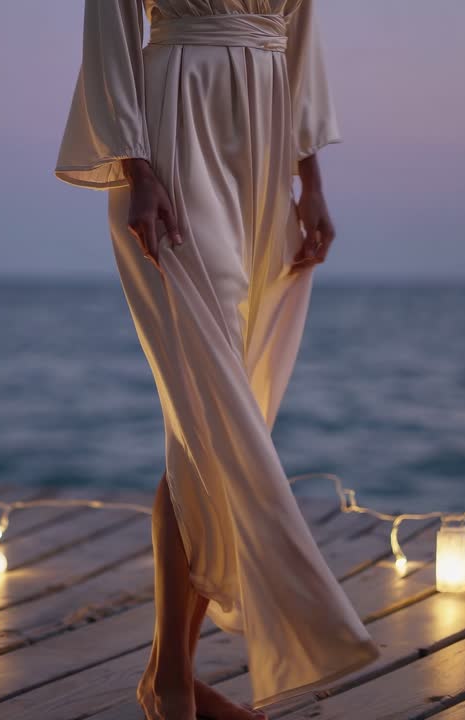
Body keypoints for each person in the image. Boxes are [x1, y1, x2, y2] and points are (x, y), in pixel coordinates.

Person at [54, 2, 380, 718]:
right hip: (176, 136)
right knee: (213, 416)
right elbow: (109, 35)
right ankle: (174, 678)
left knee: (220, 423)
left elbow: (297, 41)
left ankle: (168, 677)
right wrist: (136, 169)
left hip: (262, 153)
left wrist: (312, 182)